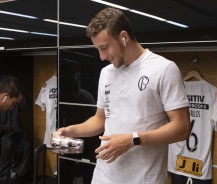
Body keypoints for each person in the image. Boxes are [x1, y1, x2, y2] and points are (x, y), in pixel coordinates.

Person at [54, 7, 190, 184]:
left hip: (144, 179)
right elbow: (100, 119)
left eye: (104, 47)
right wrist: (70, 130)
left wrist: (132, 139)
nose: (102, 56)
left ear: (124, 38)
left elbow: (182, 127)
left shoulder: (164, 69)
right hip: (103, 177)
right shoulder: (106, 73)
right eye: (98, 49)